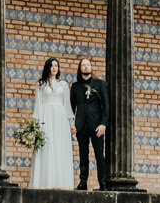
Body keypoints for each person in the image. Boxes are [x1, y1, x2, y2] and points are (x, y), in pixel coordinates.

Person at [29, 56, 75, 189]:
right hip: (46, 116)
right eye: (52, 65)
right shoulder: (40, 84)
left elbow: (67, 105)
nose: (54, 68)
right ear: (48, 67)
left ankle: (61, 182)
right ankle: (45, 182)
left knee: (59, 147)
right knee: (47, 147)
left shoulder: (64, 85)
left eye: (56, 65)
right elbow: (38, 104)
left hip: (60, 118)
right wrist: (36, 124)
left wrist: (71, 122)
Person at [71, 55, 109, 190]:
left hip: (96, 125)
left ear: (91, 67)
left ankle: (103, 184)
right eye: (83, 65)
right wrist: (72, 123)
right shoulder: (75, 87)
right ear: (80, 68)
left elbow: (106, 106)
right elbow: (71, 107)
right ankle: (83, 182)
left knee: (99, 155)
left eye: (88, 64)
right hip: (81, 125)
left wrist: (103, 124)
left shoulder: (99, 84)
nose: (86, 66)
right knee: (83, 154)